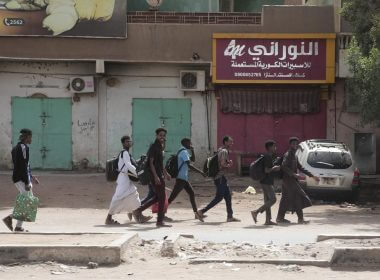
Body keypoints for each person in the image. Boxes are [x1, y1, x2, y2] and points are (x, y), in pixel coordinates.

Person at [105, 135, 151, 225]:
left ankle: (139, 215)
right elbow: (129, 165)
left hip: (126, 179)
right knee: (117, 198)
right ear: (123, 143)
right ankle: (108, 218)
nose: (129, 143)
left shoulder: (126, 153)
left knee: (134, 194)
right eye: (127, 141)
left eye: (129, 141)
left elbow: (131, 163)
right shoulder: (124, 153)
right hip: (123, 179)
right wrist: (138, 173)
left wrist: (138, 163)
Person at [132, 128, 172, 227]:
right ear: (156, 135)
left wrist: (166, 173)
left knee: (157, 197)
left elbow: (160, 163)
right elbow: (151, 163)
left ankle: (138, 210)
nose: (162, 137)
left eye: (164, 136)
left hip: (159, 175)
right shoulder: (154, 147)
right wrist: (156, 177)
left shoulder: (159, 147)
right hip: (155, 176)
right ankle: (159, 221)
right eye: (160, 135)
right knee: (161, 198)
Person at [3, 129, 40, 232]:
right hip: (20, 179)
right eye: (30, 137)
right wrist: (27, 182)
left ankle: (18, 226)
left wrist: (31, 177)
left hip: (21, 177)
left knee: (28, 201)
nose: (31, 139)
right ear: (26, 137)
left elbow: (25, 165)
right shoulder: (23, 148)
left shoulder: (16, 148)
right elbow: (23, 166)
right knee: (28, 201)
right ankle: (10, 218)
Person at [276, 137, 320, 224]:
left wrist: (312, 176)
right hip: (289, 180)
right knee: (299, 196)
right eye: (293, 144)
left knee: (286, 199)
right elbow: (283, 166)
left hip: (291, 181)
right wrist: (293, 174)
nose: (295, 145)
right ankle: (300, 219)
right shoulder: (288, 154)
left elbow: (301, 168)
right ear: (290, 144)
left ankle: (280, 218)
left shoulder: (295, 155)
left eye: (296, 144)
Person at [196, 136, 240, 222]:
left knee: (228, 196)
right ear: (225, 142)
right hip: (219, 177)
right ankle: (201, 211)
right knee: (219, 197)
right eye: (230, 142)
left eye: (232, 142)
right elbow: (222, 164)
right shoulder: (224, 151)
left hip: (221, 177)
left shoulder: (220, 149)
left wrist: (227, 163)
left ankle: (230, 216)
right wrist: (229, 165)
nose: (232, 144)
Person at [166, 138, 205, 222]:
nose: (190, 144)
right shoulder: (183, 152)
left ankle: (196, 213)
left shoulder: (183, 151)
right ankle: (161, 213)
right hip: (181, 178)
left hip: (184, 178)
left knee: (191, 193)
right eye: (189, 143)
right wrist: (201, 172)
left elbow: (193, 160)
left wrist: (192, 150)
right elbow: (189, 165)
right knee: (172, 197)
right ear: (185, 143)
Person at [251, 140, 280, 226]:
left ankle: (268, 220)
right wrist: (275, 168)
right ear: (270, 147)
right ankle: (256, 212)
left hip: (265, 181)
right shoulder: (267, 156)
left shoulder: (268, 156)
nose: (275, 148)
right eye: (274, 146)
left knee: (267, 201)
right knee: (273, 200)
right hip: (267, 181)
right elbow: (267, 170)